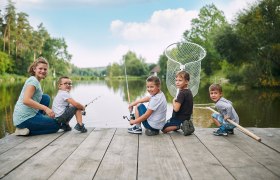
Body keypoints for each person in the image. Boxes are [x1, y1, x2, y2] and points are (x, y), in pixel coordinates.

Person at [13, 57, 60, 136]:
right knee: (56, 125)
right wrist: (46, 108)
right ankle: (23, 131)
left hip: (27, 115)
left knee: (45, 98)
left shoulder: (35, 80)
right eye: (40, 68)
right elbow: (26, 100)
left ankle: (38, 119)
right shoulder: (33, 81)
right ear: (34, 69)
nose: (43, 71)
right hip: (23, 119)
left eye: (45, 69)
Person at [162, 70, 194, 135]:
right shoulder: (189, 91)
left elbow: (176, 109)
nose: (177, 82)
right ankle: (185, 124)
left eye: (180, 80)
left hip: (179, 118)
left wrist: (173, 102)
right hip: (187, 117)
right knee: (169, 122)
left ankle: (181, 126)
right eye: (176, 80)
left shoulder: (181, 93)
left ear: (186, 82)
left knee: (163, 129)